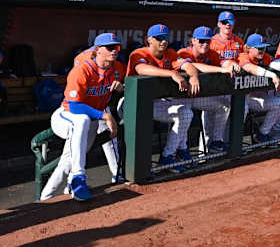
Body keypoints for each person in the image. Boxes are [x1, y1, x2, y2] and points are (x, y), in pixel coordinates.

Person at [41, 33, 123, 201]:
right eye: (110, 48)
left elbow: (129, 83)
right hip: (66, 117)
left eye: (116, 47)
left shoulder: (117, 70)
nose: (114, 51)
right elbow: (74, 105)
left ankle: (45, 197)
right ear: (98, 50)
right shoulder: (82, 69)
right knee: (82, 119)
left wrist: (122, 87)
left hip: (89, 123)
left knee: (68, 160)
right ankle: (78, 178)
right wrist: (105, 116)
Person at [126, 24, 200, 172]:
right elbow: (142, 69)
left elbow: (188, 65)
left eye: (165, 38)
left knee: (185, 112)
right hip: (132, 103)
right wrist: (172, 73)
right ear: (149, 40)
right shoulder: (139, 53)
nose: (163, 41)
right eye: (159, 38)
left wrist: (194, 76)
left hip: (157, 103)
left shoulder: (170, 54)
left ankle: (168, 156)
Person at [177, 26, 237, 153]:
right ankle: (181, 150)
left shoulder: (212, 54)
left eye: (208, 41)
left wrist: (230, 64)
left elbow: (223, 62)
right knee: (185, 114)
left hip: (200, 97)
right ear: (193, 40)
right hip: (181, 98)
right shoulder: (183, 52)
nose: (205, 44)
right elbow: (194, 65)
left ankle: (216, 141)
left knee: (225, 106)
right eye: (201, 41)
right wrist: (221, 69)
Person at [237, 34, 280, 142]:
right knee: (243, 109)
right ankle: (236, 141)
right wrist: (272, 75)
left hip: (259, 98)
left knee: (279, 103)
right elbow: (249, 67)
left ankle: (262, 134)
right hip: (244, 98)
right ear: (249, 48)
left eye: (264, 48)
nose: (262, 51)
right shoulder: (243, 56)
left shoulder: (266, 58)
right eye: (259, 48)